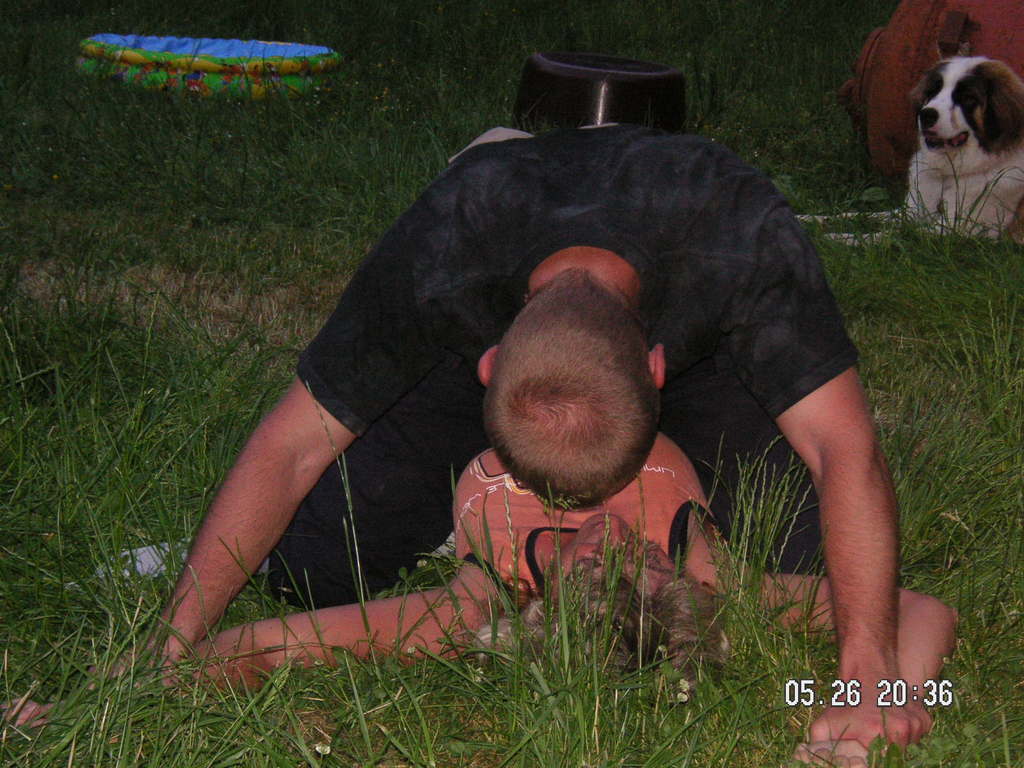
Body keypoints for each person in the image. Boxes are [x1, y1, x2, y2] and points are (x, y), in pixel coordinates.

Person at [4, 126, 957, 758]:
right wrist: (881, 689)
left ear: (655, 372)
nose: (591, 527)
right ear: (489, 368)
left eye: (587, 555)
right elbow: (289, 447)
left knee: (824, 549)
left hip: (707, 347)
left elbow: (846, 450)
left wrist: (866, 675)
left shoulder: (736, 233)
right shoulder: (448, 246)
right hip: (498, 276)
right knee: (315, 557)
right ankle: (510, 148)